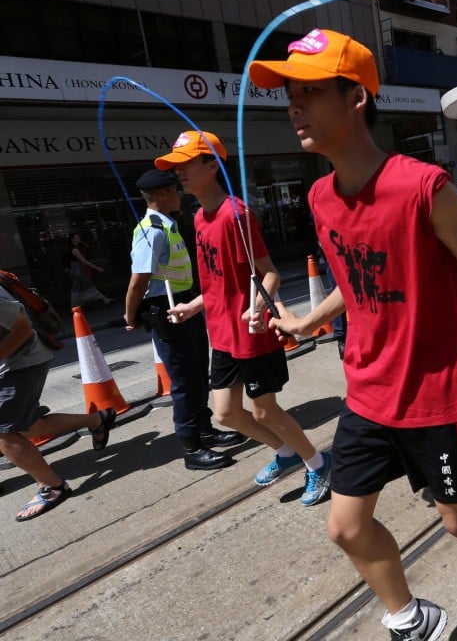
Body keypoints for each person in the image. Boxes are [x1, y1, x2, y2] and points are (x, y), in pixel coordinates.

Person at [248, 27, 457, 641]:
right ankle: (409, 618)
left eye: (310, 91)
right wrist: (310, 319)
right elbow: (357, 277)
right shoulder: (319, 196)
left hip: (432, 394)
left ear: (356, 99)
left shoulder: (424, 186)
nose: (294, 105)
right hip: (368, 391)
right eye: (289, 93)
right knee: (344, 526)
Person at [153, 129, 332, 506]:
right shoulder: (199, 217)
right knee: (225, 414)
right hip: (221, 334)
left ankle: (317, 462)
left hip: (249, 332)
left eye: (186, 164)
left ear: (212, 165)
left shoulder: (237, 215)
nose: (179, 173)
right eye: (176, 167)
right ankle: (286, 453)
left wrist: (259, 306)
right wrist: (195, 305)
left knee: (264, 410)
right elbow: (218, 282)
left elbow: (269, 273)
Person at [123, 168, 244, 471]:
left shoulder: (167, 224)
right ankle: (192, 447)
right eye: (174, 190)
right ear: (162, 194)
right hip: (166, 308)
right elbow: (138, 281)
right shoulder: (151, 230)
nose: (179, 194)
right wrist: (130, 316)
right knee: (183, 381)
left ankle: (204, 429)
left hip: (183, 304)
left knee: (196, 371)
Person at [1, 285, 117, 521]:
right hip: (18, 363)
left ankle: (53, 486)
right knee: (30, 426)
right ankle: (98, 419)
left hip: (21, 363)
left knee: (3, 432)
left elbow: (22, 328)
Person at [64, 233, 114, 307]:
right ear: (72, 239)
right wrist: (97, 268)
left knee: (80, 288)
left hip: (75, 271)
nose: (79, 238)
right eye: (77, 237)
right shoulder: (74, 250)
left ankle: (105, 299)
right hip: (77, 272)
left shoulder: (71, 248)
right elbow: (84, 261)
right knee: (83, 288)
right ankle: (76, 305)